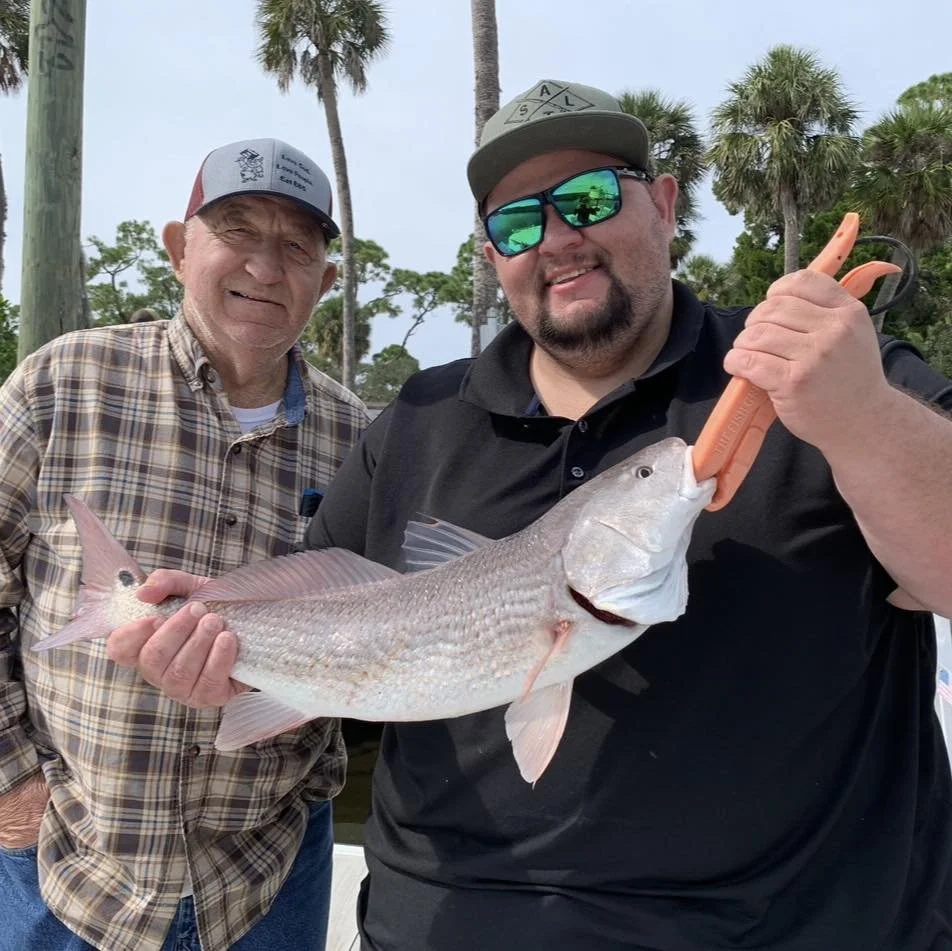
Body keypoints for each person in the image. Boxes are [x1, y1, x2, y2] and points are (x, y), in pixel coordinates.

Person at [108, 80, 952, 950]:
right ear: (491, 256)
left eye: (587, 198)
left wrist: (863, 413)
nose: (556, 239)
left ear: (663, 206)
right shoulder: (414, 422)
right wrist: (221, 663)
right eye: (517, 223)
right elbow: (332, 646)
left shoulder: (814, 374)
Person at [0, 137, 367, 951]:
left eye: (296, 247)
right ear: (179, 247)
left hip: (269, 871)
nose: (266, 269)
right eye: (238, 230)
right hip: (66, 864)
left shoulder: (363, 441)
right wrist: (11, 787)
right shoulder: (62, 383)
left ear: (326, 281)